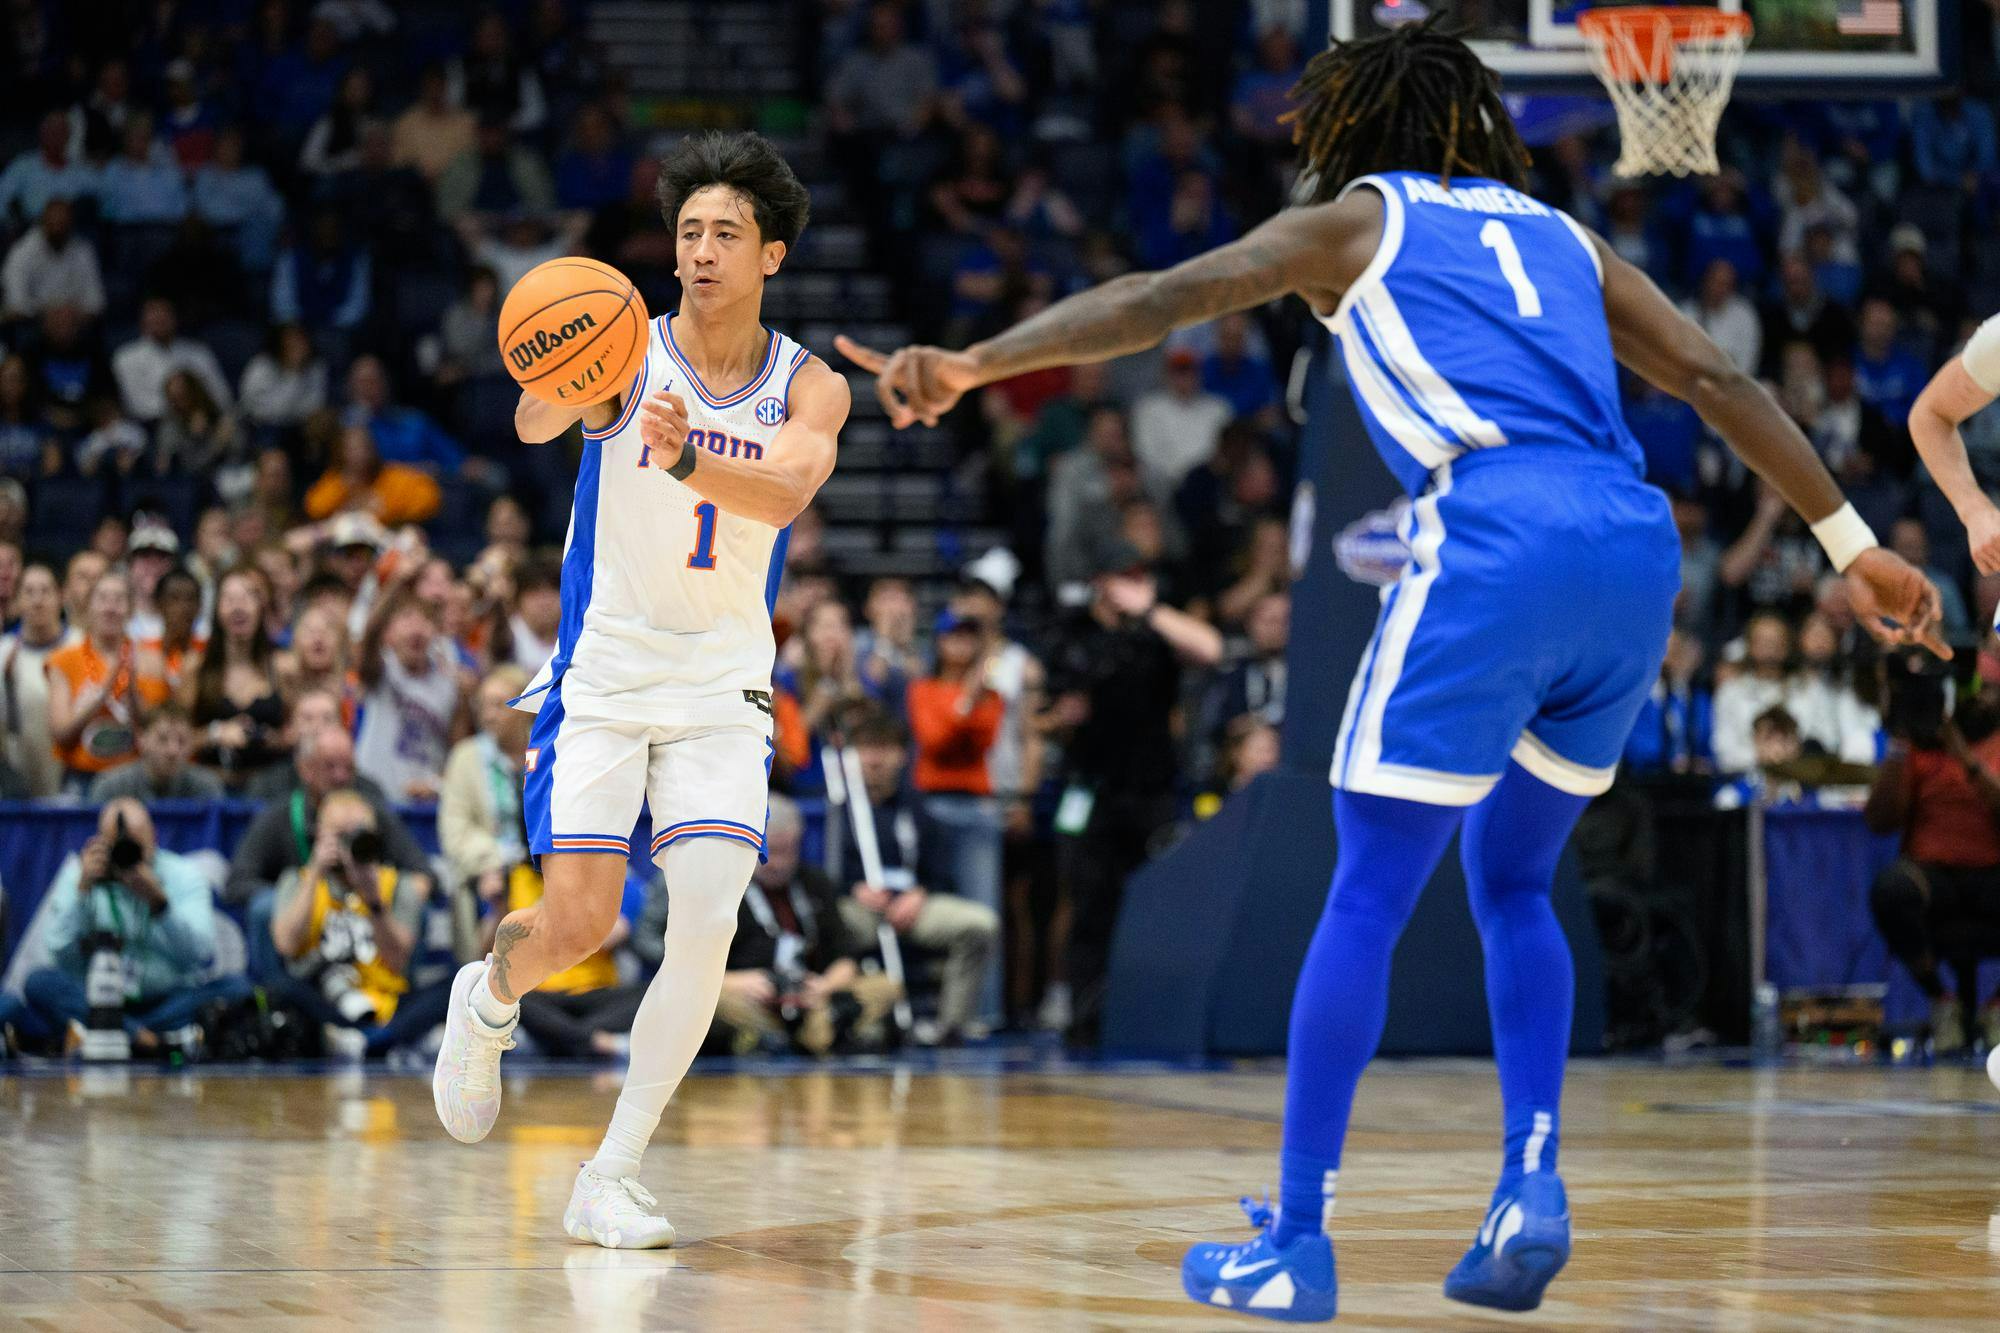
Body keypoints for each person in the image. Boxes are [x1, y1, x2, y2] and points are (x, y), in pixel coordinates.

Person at [834, 17, 1945, 1319]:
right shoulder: (1563, 236)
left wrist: (975, 362)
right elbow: (1712, 373)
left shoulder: (1359, 220)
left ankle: (1296, 1240)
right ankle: (1529, 1179)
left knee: (1366, 889)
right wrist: (1853, 546)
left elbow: (1161, 298)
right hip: (1633, 545)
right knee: (1515, 877)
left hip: (1498, 528)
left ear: (1356, 127)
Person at [429, 130, 849, 1252]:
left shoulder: (811, 385)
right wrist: (569, 384)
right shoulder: (625, 348)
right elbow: (531, 418)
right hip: (605, 675)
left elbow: (787, 491)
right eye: (688, 232)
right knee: (579, 924)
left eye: (726, 233)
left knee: (707, 920)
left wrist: (685, 456)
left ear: (770, 254)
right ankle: (488, 997)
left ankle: (608, 1174)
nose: (701, 251)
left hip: (722, 686)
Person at [15, 799, 250, 1053]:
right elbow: (59, 953)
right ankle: (147, 1039)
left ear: (154, 837)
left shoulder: (183, 875)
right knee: (38, 982)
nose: (127, 854)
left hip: (168, 1001)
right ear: (101, 842)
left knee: (237, 988)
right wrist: (81, 894)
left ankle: (118, 1035)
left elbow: (200, 954)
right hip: (98, 1000)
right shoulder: (80, 875)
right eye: (118, 845)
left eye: (136, 845)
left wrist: (160, 905)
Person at [831, 709, 999, 1040]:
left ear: (901, 755)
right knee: (840, 924)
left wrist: (919, 894)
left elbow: (940, 872)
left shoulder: (917, 807)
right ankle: (858, 1021)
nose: (874, 760)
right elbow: (819, 876)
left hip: (911, 907)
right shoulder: (837, 810)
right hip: (860, 907)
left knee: (980, 924)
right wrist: (852, 889)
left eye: (884, 748)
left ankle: (952, 1027)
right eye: (866, 748)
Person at [1865, 674, 2000, 1054]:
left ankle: (1996, 1008)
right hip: (1932, 875)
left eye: (1990, 691)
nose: (1982, 699)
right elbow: (1879, 821)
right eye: (1976, 691)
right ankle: (1942, 1000)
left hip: (1992, 872)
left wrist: (1965, 758)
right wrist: (1898, 746)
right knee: (1892, 890)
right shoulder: (1920, 747)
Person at [706, 794, 901, 1055]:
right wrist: (738, 982)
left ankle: (816, 1034)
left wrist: (825, 986)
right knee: (709, 995)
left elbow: (846, 958)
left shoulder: (816, 883)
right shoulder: (724, 890)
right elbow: (695, 966)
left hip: (812, 999)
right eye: (770, 852)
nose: (778, 863)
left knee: (887, 985)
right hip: (751, 1001)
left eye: (787, 852)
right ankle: (778, 1038)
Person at [268, 789, 445, 1058]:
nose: (348, 846)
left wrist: (372, 897)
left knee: (456, 983)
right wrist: (315, 872)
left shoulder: (398, 884)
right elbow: (286, 945)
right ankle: (389, 1040)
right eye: (340, 836)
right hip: (323, 1002)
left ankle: (374, 1039)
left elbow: (398, 960)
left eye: (357, 836)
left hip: (386, 1002)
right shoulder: (298, 879)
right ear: (320, 836)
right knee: (278, 986)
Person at [903, 609, 1006, 1020]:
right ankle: (931, 1011)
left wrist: (965, 709)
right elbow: (936, 740)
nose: (961, 644)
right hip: (930, 806)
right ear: (939, 642)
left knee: (984, 910)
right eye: (954, 636)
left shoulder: (992, 696)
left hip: (976, 806)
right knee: (935, 907)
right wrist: (966, 702)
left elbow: (983, 739)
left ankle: (983, 1015)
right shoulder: (923, 689)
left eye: (969, 637)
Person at [45, 569, 172, 789]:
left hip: (137, 776)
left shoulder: (152, 660)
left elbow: (158, 732)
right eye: (102, 598)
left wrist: (132, 692)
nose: (110, 607)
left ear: (130, 610)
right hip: (82, 778)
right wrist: (103, 693)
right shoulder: (63, 660)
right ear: (89, 607)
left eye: (119, 599)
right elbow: (61, 734)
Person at [354, 589, 467, 801]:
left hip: (424, 803)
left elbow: (460, 754)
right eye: (406, 618)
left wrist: (437, 784)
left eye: (425, 620)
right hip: (373, 797)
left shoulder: (451, 686)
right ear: (389, 630)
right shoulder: (381, 668)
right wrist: (398, 583)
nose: (417, 628)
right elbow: (369, 633)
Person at [1, 562, 65, 796]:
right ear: (17, 601)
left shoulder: (81, 647)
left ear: (61, 597)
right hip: (16, 786)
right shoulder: (3, 653)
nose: (37, 601)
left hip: (70, 781)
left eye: (45, 591)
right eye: (28, 592)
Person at [89, 702, 225, 802]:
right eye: (162, 739)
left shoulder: (206, 787)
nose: (173, 750)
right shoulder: (112, 787)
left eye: (182, 741)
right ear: (141, 740)